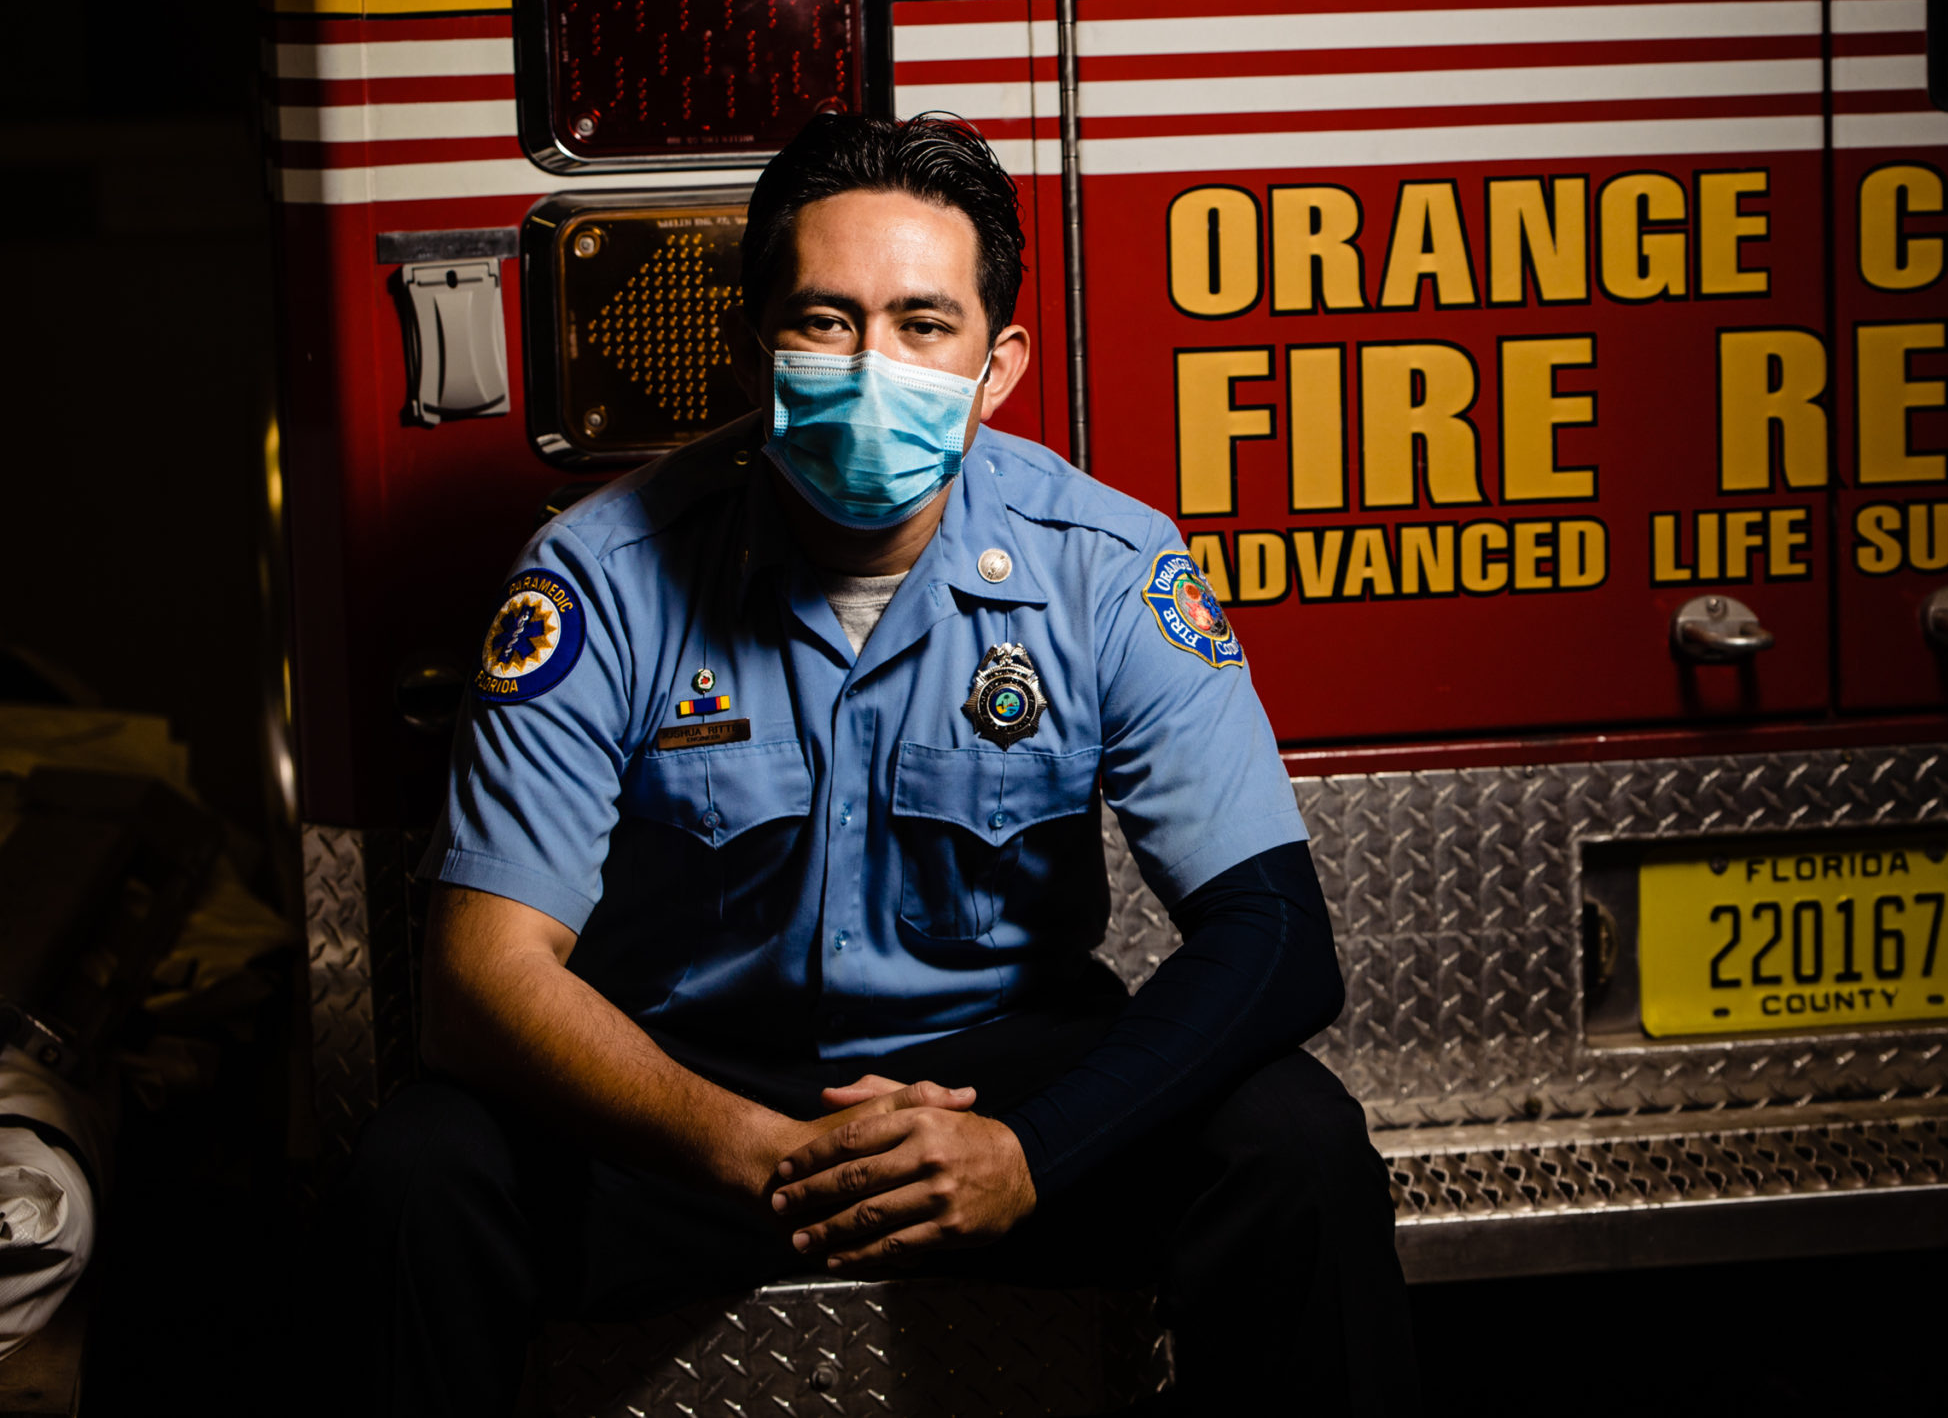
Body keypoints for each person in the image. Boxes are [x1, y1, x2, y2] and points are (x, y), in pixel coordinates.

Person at [334, 113, 1418, 1415]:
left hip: (998, 1093)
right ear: (754, 344)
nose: (872, 365)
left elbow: (1276, 935)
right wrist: (762, 1150)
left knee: (1296, 1146)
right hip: (688, 1105)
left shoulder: (1106, 564)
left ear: (997, 362)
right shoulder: (599, 575)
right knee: (416, 1173)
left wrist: (1029, 1147)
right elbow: (481, 975)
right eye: (826, 320)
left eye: (922, 324)